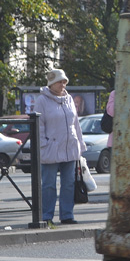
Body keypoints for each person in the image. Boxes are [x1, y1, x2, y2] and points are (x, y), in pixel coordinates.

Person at [37, 68, 87, 229]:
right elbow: (38, 125)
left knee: (69, 183)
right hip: (52, 149)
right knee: (49, 184)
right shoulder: (42, 100)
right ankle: (47, 215)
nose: (63, 84)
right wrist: (45, 145)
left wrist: (80, 144)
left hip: (70, 148)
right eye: (60, 81)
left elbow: (76, 124)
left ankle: (67, 215)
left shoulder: (69, 99)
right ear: (51, 83)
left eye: (65, 81)